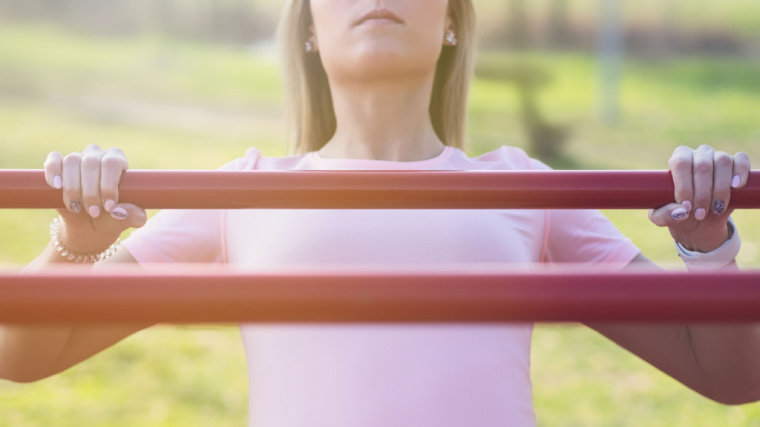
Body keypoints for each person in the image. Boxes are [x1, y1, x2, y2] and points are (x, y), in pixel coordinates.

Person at [1, 0, 758, 425]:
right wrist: (76, 241)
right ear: (305, 28)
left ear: (454, 21)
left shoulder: (526, 187)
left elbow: (727, 377)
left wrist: (709, 247)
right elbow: (26, 354)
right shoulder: (240, 191)